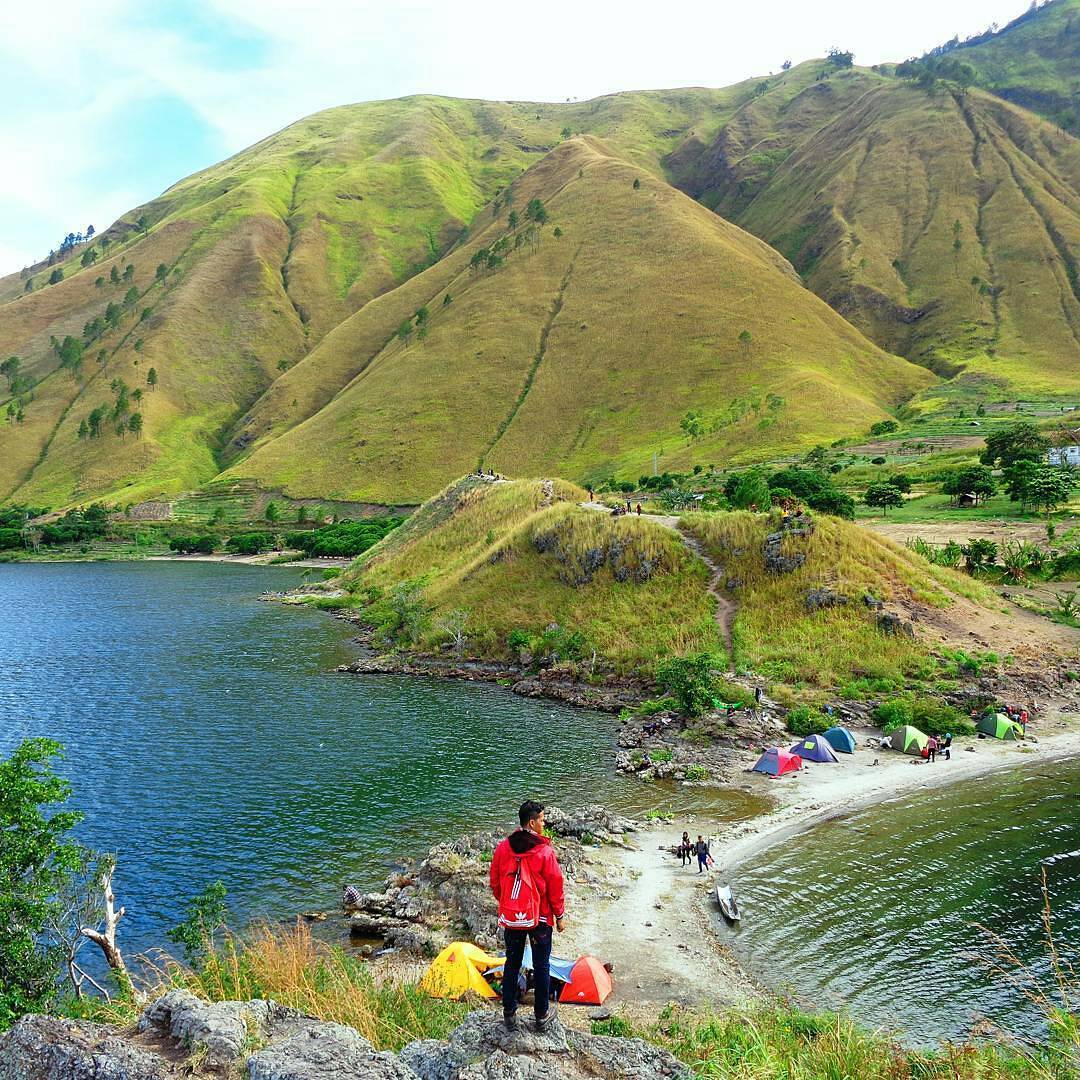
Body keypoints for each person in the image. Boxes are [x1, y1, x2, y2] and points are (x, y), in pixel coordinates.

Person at [489, 800, 566, 1032]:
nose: (544, 823)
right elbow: (555, 885)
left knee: (512, 962)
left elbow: (495, 881)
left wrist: (509, 903)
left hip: (513, 918)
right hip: (540, 918)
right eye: (542, 820)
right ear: (532, 823)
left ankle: (509, 1014)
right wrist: (559, 915)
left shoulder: (503, 848)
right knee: (542, 965)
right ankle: (541, 1015)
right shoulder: (544, 851)